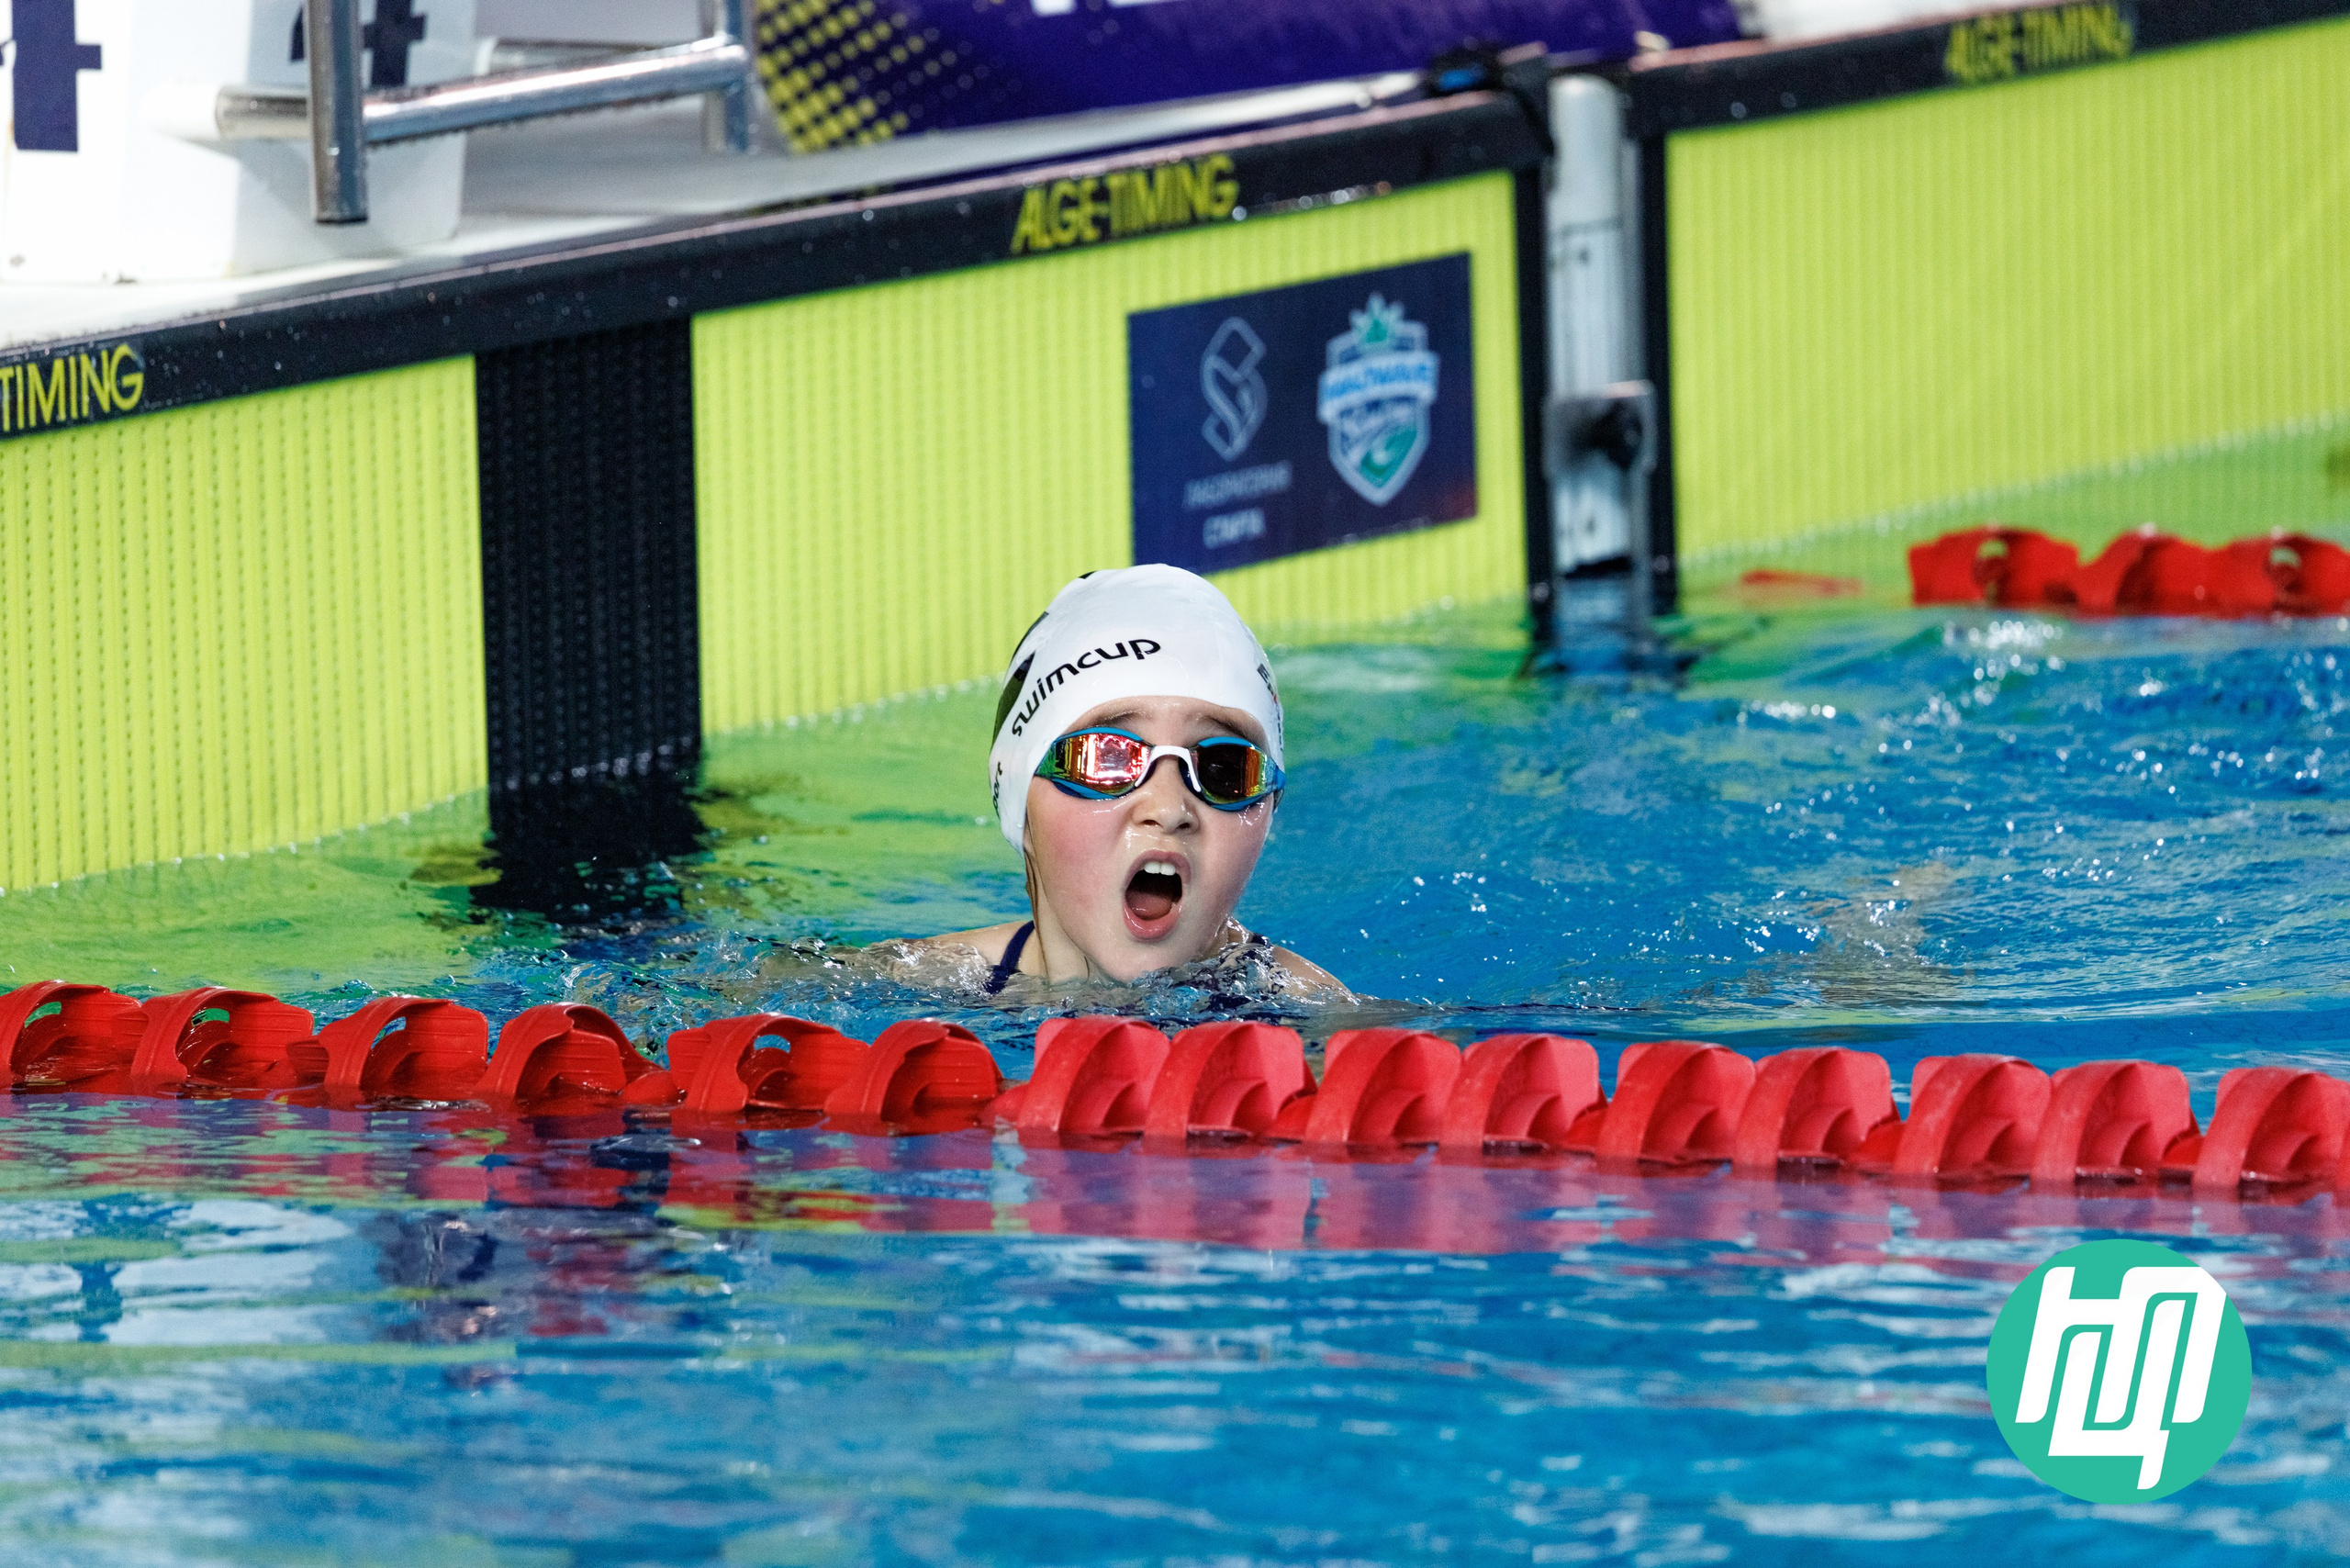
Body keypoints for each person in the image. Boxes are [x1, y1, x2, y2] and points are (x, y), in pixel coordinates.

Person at [916, 565, 1345, 995]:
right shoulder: (909, 988)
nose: (1169, 809)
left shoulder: (1325, 1030)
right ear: (1021, 802)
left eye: (1225, 767)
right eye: (1108, 757)